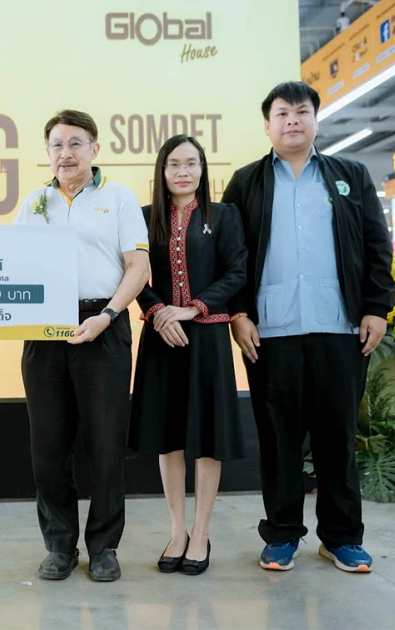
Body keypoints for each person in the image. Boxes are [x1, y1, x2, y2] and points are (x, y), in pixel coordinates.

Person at [0, 110, 149, 582]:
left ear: (94, 149)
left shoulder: (119, 198)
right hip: (45, 330)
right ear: (47, 152)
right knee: (48, 446)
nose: (65, 154)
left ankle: (104, 548)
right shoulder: (35, 202)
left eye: (75, 143)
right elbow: (11, 263)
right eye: (56, 145)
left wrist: (108, 315)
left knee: (106, 446)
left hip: (103, 325)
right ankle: (60, 546)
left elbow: (138, 268)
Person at [221, 82, 394, 574]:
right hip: (271, 332)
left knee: (337, 437)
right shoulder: (247, 182)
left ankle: (342, 538)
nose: (292, 120)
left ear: (316, 120)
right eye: (282, 113)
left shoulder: (350, 175)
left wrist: (377, 307)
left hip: (340, 327)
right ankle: (281, 535)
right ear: (268, 125)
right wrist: (238, 313)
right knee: (279, 439)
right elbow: (232, 255)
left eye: (301, 111)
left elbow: (377, 245)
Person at [129, 135, 247, 576]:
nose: (183, 171)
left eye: (191, 163)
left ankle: (201, 532)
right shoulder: (144, 219)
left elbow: (237, 271)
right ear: (161, 170)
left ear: (203, 169)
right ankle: (177, 530)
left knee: (206, 437)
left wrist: (193, 308)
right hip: (162, 338)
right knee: (170, 436)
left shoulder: (224, 216)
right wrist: (159, 312)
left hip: (208, 338)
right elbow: (133, 273)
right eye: (174, 164)